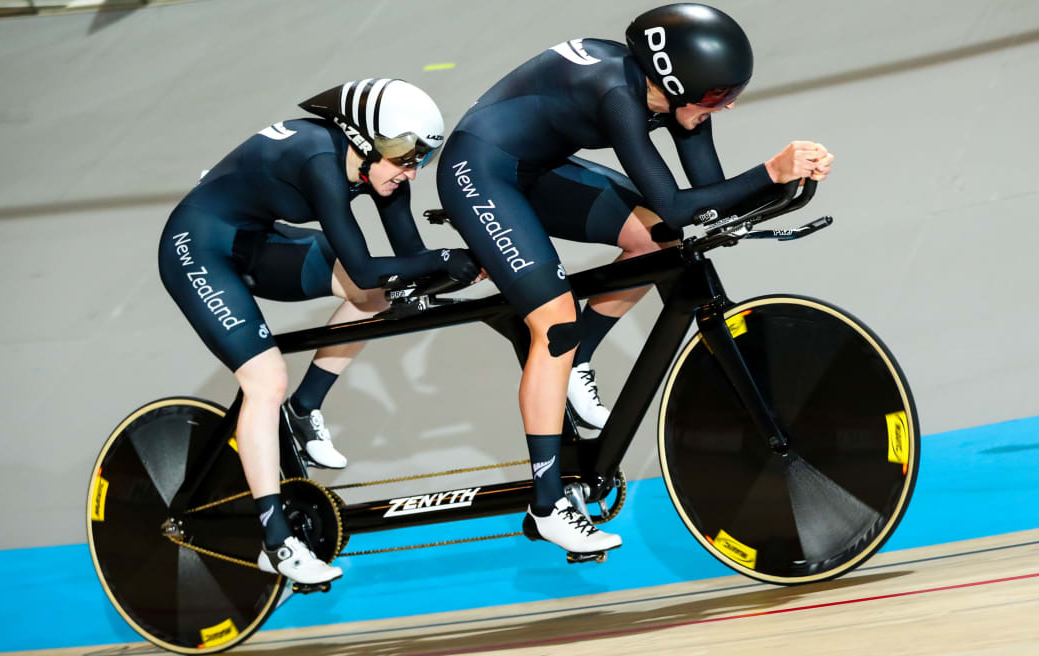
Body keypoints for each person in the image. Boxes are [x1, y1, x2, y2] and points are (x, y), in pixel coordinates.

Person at [436, 3, 834, 557]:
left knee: (657, 241)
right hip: (479, 171)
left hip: (539, 167)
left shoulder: (682, 101)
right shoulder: (617, 93)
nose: (726, 106)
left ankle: (578, 361)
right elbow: (674, 202)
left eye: (729, 95)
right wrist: (770, 172)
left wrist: (786, 184)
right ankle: (549, 505)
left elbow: (708, 199)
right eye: (717, 97)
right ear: (673, 83)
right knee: (554, 321)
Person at [158, 78, 480, 584]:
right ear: (362, 140)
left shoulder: (380, 165)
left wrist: (465, 262)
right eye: (404, 160)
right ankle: (277, 542)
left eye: (419, 160)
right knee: (265, 381)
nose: (411, 172)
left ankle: (304, 412)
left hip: (255, 239)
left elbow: (407, 259)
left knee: (374, 299)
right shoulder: (319, 162)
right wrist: (444, 259)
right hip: (198, 247)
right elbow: (368, 264)